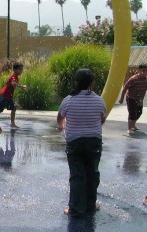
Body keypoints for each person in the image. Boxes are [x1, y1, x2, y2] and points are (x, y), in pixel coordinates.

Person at [57, 68, 106, 217]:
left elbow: (60, 117)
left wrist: (62, 126)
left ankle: (75, 208)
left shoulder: (68, 100)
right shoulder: (99, 100)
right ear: (92, 83)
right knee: (92, 174)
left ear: (76, 82)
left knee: (77, 175)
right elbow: (102, 119)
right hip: (94, 142)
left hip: (74, 142)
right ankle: (91, 205)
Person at [0, 61, 28, 128]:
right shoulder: (14, 76)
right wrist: (22, 87)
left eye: (22, 69)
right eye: (20, 69)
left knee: (13, 109)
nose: (21, 71)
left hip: (8, 96)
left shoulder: (16, 76)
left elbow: (13, 84)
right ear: (14, 69)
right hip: (5, 95)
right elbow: (13, 83)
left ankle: (12, 123)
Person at [118, 63, 147, 135]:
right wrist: (121, 98)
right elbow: (125, 88)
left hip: (139, 99)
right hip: (131, 98)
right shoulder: (133, 79)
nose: (144, 73)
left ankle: (133, 125)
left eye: (146, 71)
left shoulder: (146, 80)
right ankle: (129, 128)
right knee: (132, 113)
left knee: (139, 113)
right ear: (138, 70)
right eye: (143, 70)